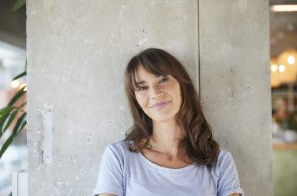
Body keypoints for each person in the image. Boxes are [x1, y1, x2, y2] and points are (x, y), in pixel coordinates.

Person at [93, 48, 244, 196]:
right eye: (142, 87)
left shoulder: (219, 161)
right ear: (136, 99)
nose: (155, 93)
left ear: (182, 85)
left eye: (163, 80)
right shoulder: (118, 157)